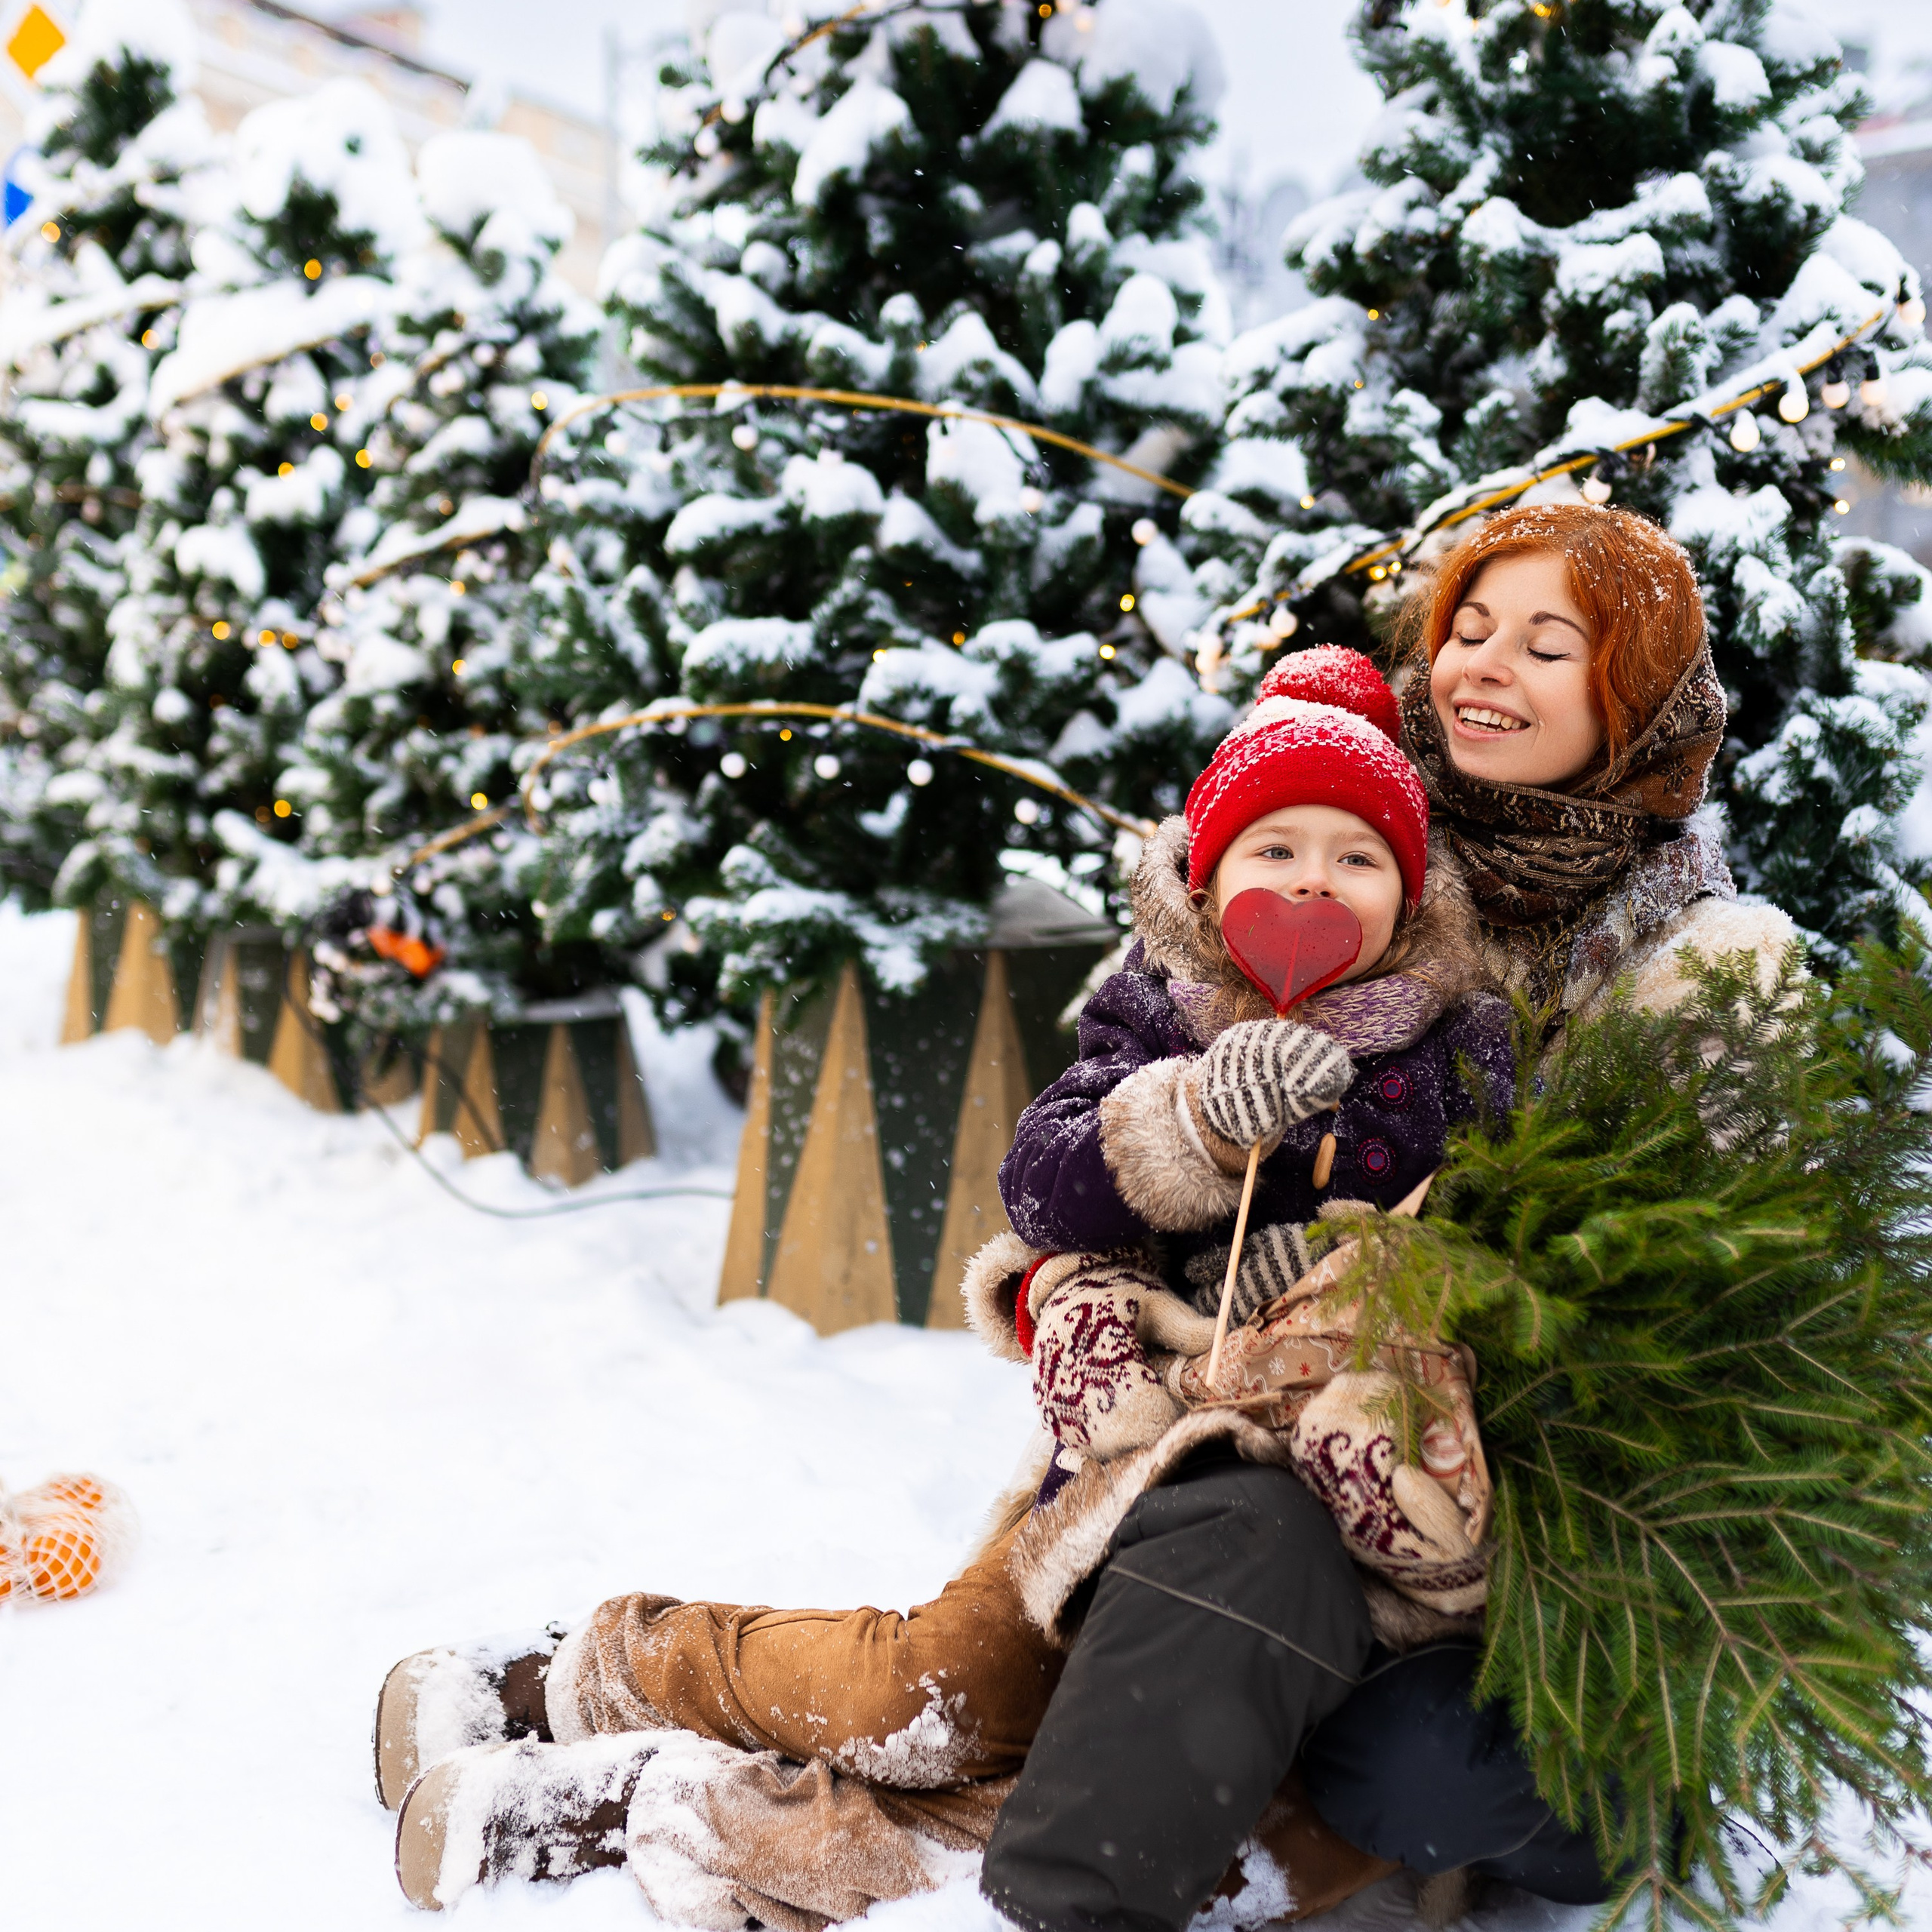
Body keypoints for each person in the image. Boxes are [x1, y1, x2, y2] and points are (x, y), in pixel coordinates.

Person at [376, 648, 1511, 1921]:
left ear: (1413, 894)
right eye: (1275, 849)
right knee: (945, 1690)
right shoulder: (1157, 1010)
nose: (1314, 880)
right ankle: (608, 1668)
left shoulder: (1456, 1048)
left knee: (1169, 1809)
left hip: (1339, 1518)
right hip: (1121, 1476)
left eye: (1358, 858)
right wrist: (1187, 1123)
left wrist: (1364, 1263)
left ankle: (658, 1808)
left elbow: (1490, 1232)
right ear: (1207, 874)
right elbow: (1045, 1184)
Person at [980, 501, 1802, 1932]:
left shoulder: (1701, 960)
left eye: (1552, 646)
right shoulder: (1311, 830)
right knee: (994, 1663)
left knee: (1421, 1766)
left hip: (1507, 1512)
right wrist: (1110, 1284)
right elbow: (1070, 1158)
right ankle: (628, 1682)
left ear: (1639, 703)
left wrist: (1404, 1276)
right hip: (1212, 1446)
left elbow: (1671, 1307)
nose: (1486, 666)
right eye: (1468, 628)